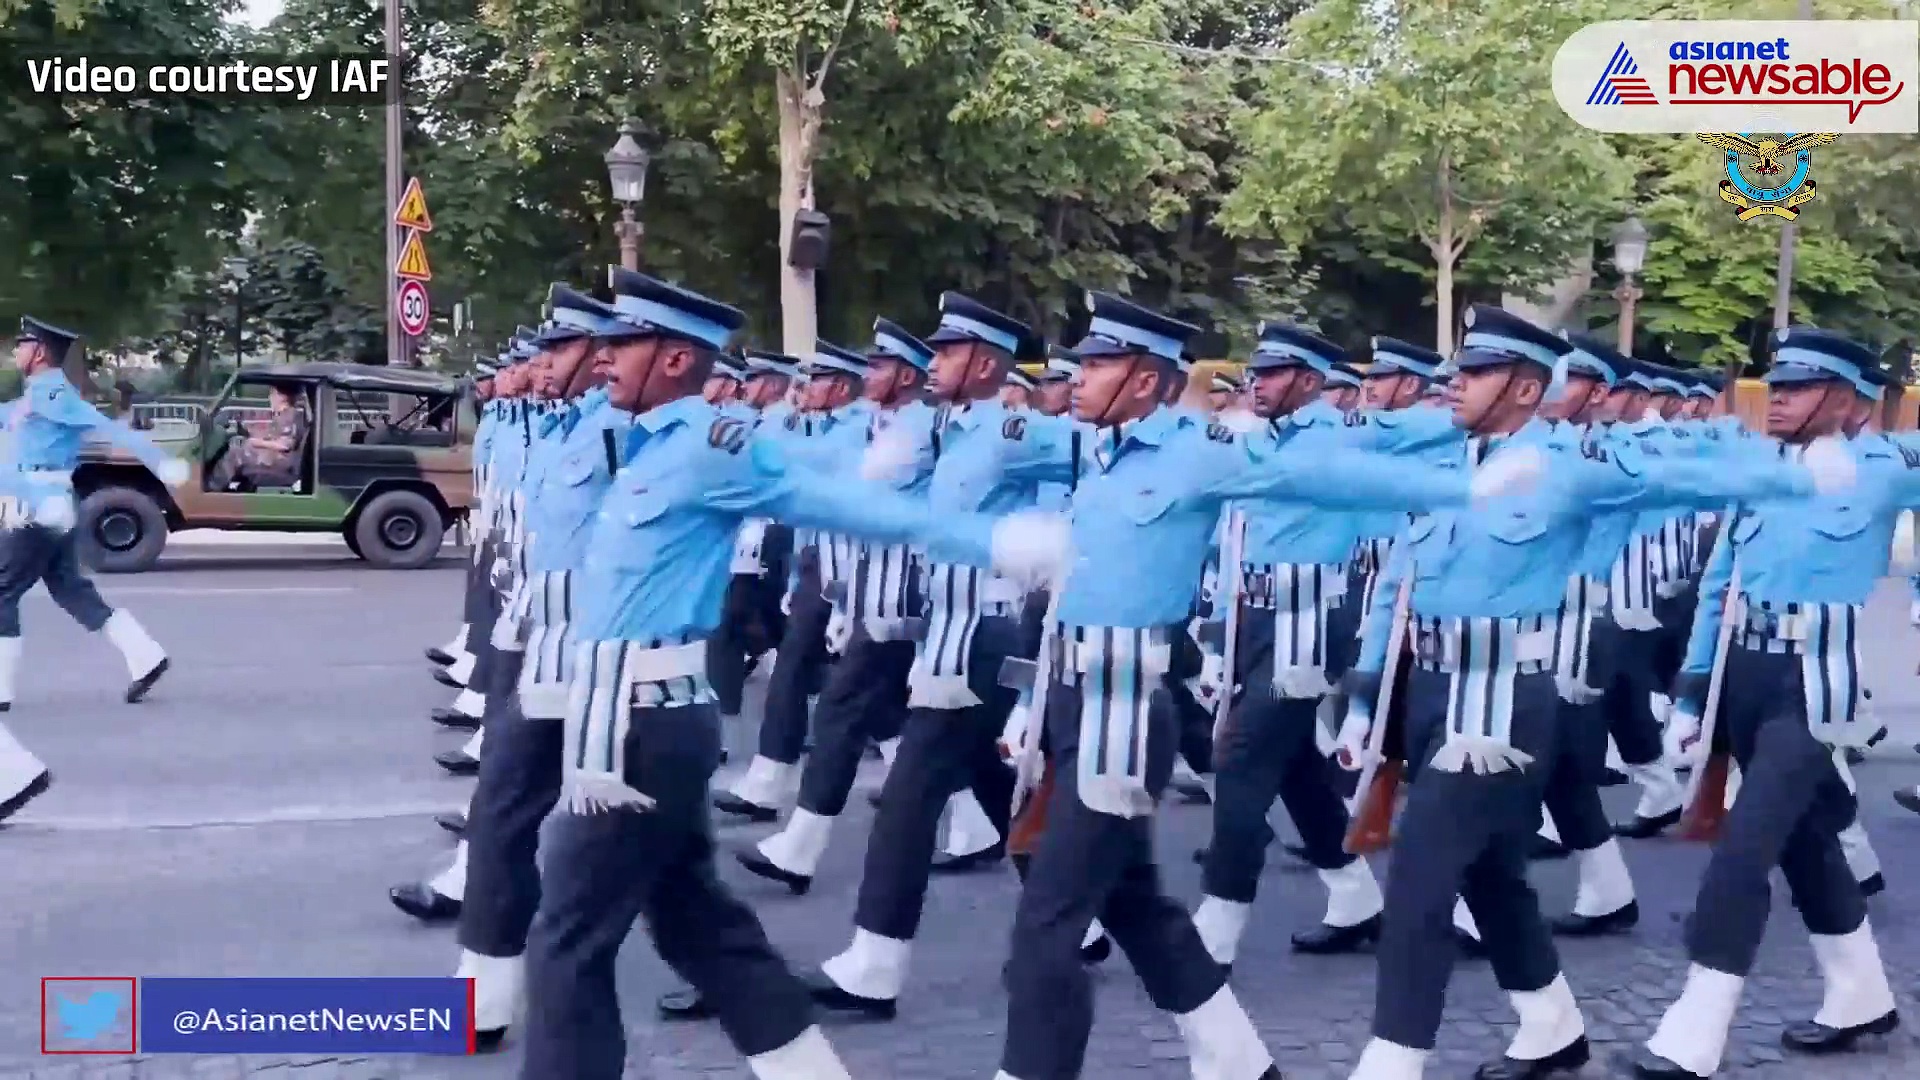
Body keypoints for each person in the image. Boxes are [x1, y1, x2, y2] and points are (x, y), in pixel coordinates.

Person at [511, 268, 1039, 1080]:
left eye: (623, 343)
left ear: (678, 361)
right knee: (696, 924)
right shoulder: (639, 441)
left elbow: (849, 508)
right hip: (628, 713)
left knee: (566, 939)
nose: (603, 357)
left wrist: (995, 546)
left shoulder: (712, 448)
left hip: (644, 723)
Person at [1333, 306, 1836, 1080]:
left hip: (1500, 704)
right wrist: (1368, 693)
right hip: (1427, 691)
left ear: (1528, 388)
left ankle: (1392, 1060)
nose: (1454, 383)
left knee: (1419, 879)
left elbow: (1684, 478)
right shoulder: (1443, 461)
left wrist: (1802, 471)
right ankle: (1551, 1028)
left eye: (1475, 373)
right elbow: (1395, 585)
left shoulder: (1571, 467)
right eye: (1458, 371)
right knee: (1493, 876)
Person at [1627, 327, 1909, 1080]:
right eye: (1774, 385)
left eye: (1796, 388)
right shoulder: (1759, 470)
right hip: (1743, 676)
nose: (1777, 399)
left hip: (1816, 687)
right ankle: (1859, 997)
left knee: (1742, 855)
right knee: (1809, 848)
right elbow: (1720, 583)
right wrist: (1690, 694)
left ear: (1845, 401)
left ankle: (1694, 1031)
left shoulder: (1883, 470)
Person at [0, 318, 191, 822]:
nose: (15, 349)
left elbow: (90, 423)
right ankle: (144, 653)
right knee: (69, 588)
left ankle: (1, 705)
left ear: (38, 351)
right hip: (49, 504)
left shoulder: (53, 396)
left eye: (21, 343)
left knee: (2, 593)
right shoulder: (35, 396)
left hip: (35, 507)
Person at [209, 383, 309, 490]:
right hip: (276, 459)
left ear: (282, 396)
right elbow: (274, 437)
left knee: (236, 453)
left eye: (272, 394)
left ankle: (212, 488)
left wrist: (255, 442)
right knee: (238, 443)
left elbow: (286, 445)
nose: (270, 398)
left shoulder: (291, 414)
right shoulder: (282, 414)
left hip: (280, 463)